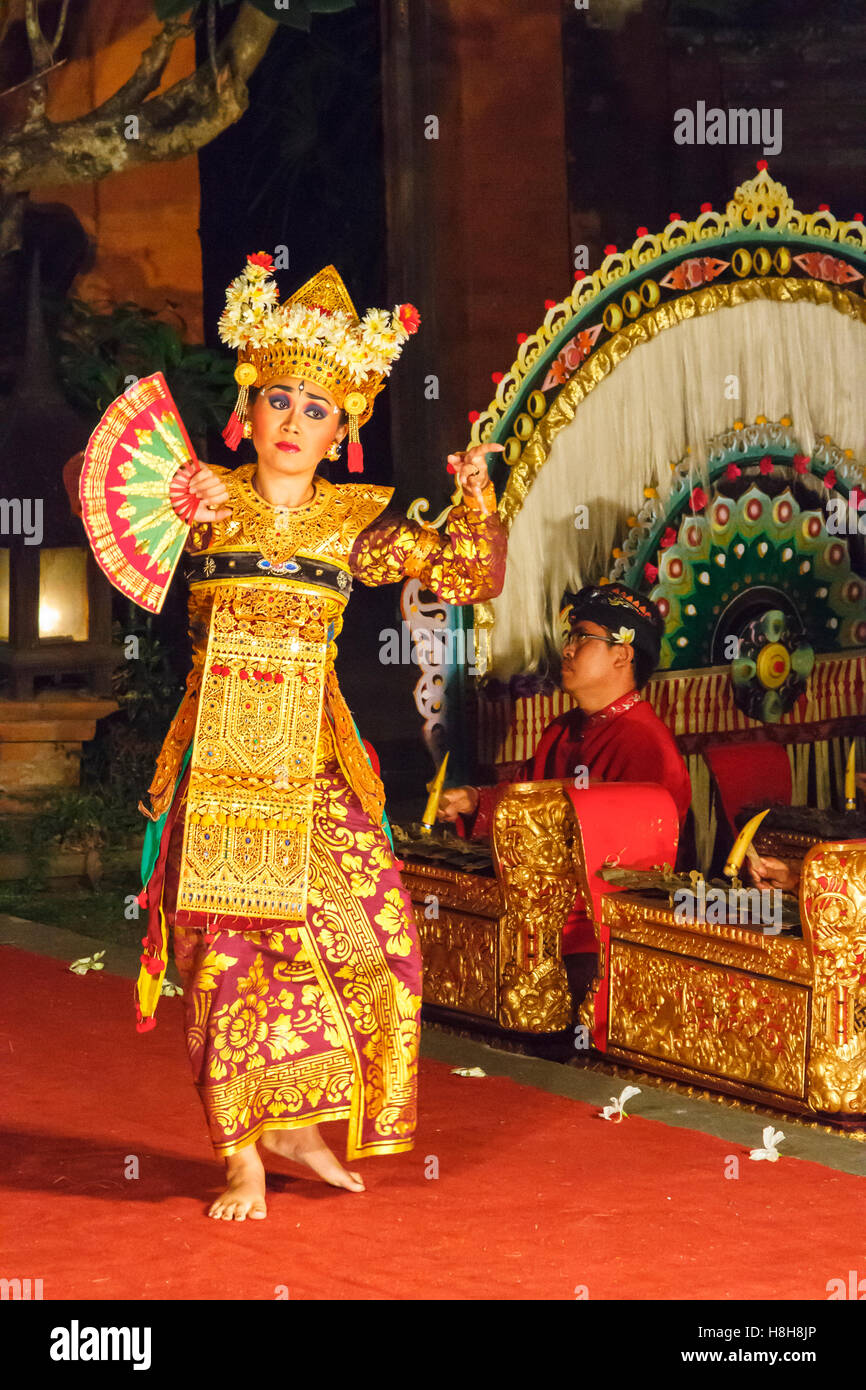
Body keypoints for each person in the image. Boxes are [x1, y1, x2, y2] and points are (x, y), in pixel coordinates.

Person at [103, 257, 506, 1221]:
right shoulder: (204, 500)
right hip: (222, 772)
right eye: (279, 398)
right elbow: (99, 482)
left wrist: (481, 490)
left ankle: (295, 1122)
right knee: (229, 969)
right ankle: (240, 1153)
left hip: (317, 768)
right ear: (252, 404)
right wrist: (178, 495)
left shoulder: (353, 525)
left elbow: (467, 572)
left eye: (317, 408)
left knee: (385, 943)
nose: (293, 420)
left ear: (345, 427)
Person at [437, 582, 691, 1005]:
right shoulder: (563, 727)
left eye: (582, 638)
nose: (567, 650)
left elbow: (635, 870)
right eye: (569, 638)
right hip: (547, 910)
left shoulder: (644, 744)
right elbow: (529, 799)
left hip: (601, 933)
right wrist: (475, 802)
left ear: (622, 654)